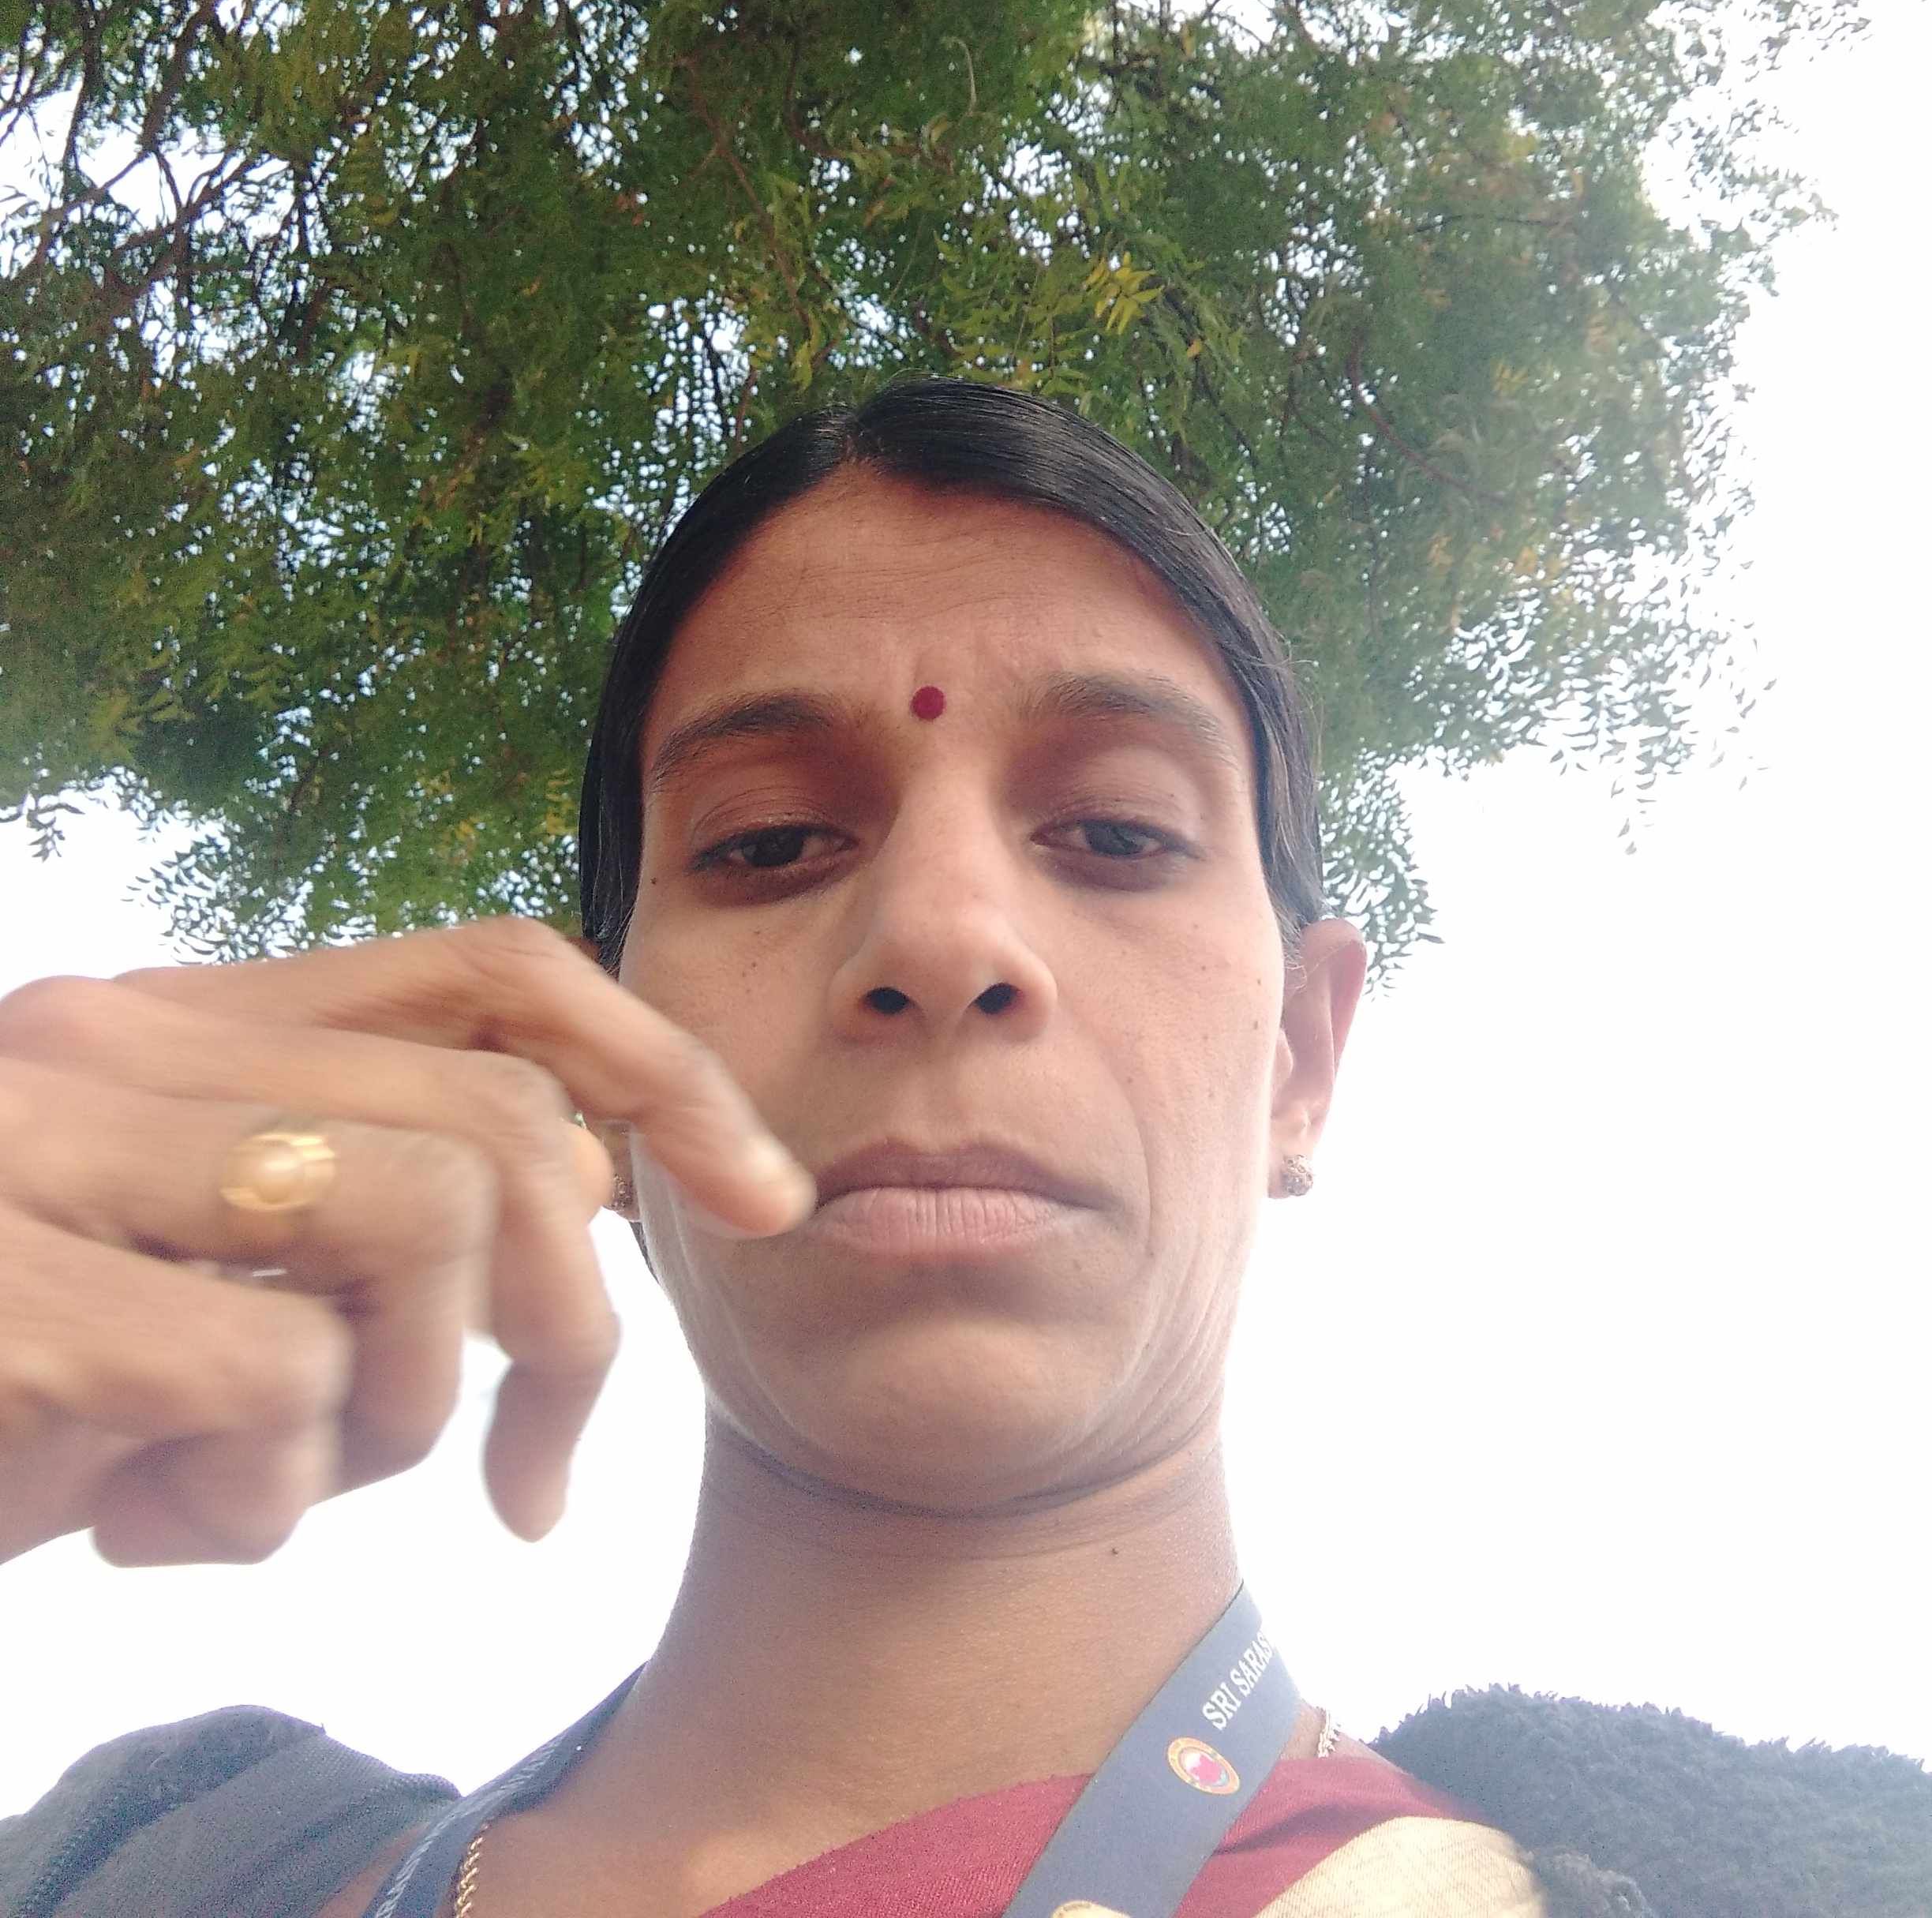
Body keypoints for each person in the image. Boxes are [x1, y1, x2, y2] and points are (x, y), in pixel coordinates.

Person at [1, 380, 1919, 1918]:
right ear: (595, 1065)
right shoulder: (157, 1867)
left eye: (1118, 834)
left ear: (1302, 1059)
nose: (937, 935)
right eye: (767, 842)